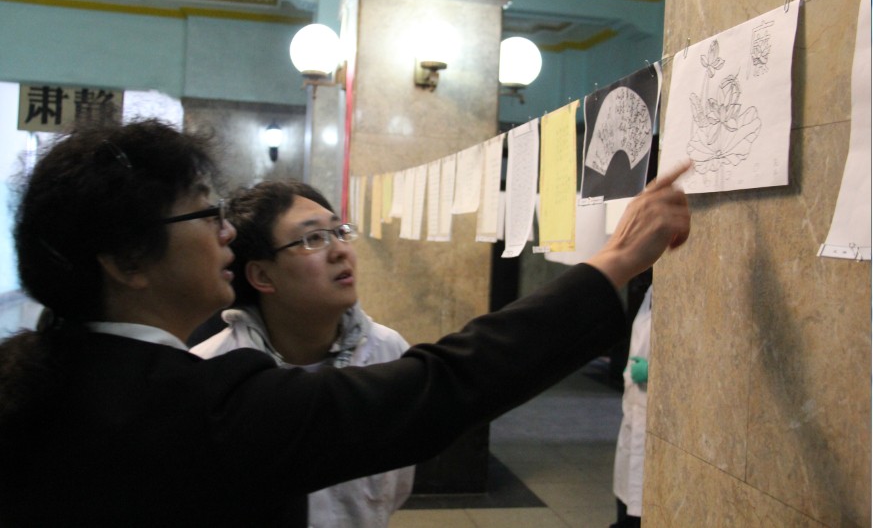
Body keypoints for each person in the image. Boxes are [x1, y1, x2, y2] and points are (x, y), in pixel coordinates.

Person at [0, 119, 690, 527]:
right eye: (205, 215)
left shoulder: (46, 372)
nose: (225, 235)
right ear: (127, 260)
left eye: (338, 232)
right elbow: (447, 384)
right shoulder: (197, 405)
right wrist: (614, 262)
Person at [190, 180, 414, 528]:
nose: (340, 251)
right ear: (262, 275)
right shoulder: (211, 369)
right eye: (313, 239)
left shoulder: (388, 351)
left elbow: (395, 486)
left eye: (339, 232)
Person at [611, 283, 653, 528]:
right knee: (627, 489)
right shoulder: (650, 293)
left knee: (642, 500)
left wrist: (654, 370)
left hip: (653, 414)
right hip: (634, 407)